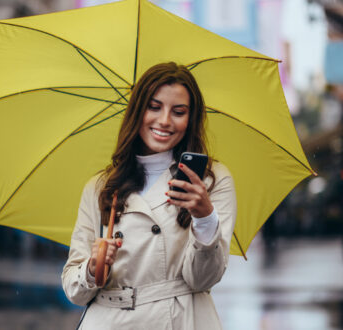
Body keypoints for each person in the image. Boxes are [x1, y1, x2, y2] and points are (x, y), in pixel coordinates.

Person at [62, 62, 237, 329]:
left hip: (180, 320)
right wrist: (93, 266)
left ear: (190, 119)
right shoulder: (101, 186)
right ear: (137, 111)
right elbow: (74, 290)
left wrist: (204, 218)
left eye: (178, 112)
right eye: (154, 107)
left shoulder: (211, 180)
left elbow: (202, 279)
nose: (165, 121)